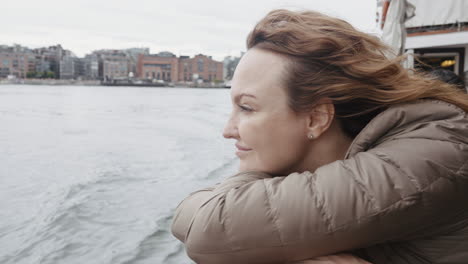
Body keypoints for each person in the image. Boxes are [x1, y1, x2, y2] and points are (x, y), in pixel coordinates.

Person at [171, 9, 468, 264]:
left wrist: (238, 189)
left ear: (317, 118)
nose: (228, 130)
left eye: (247, 107)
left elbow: (209, 231)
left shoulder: (430, 155)